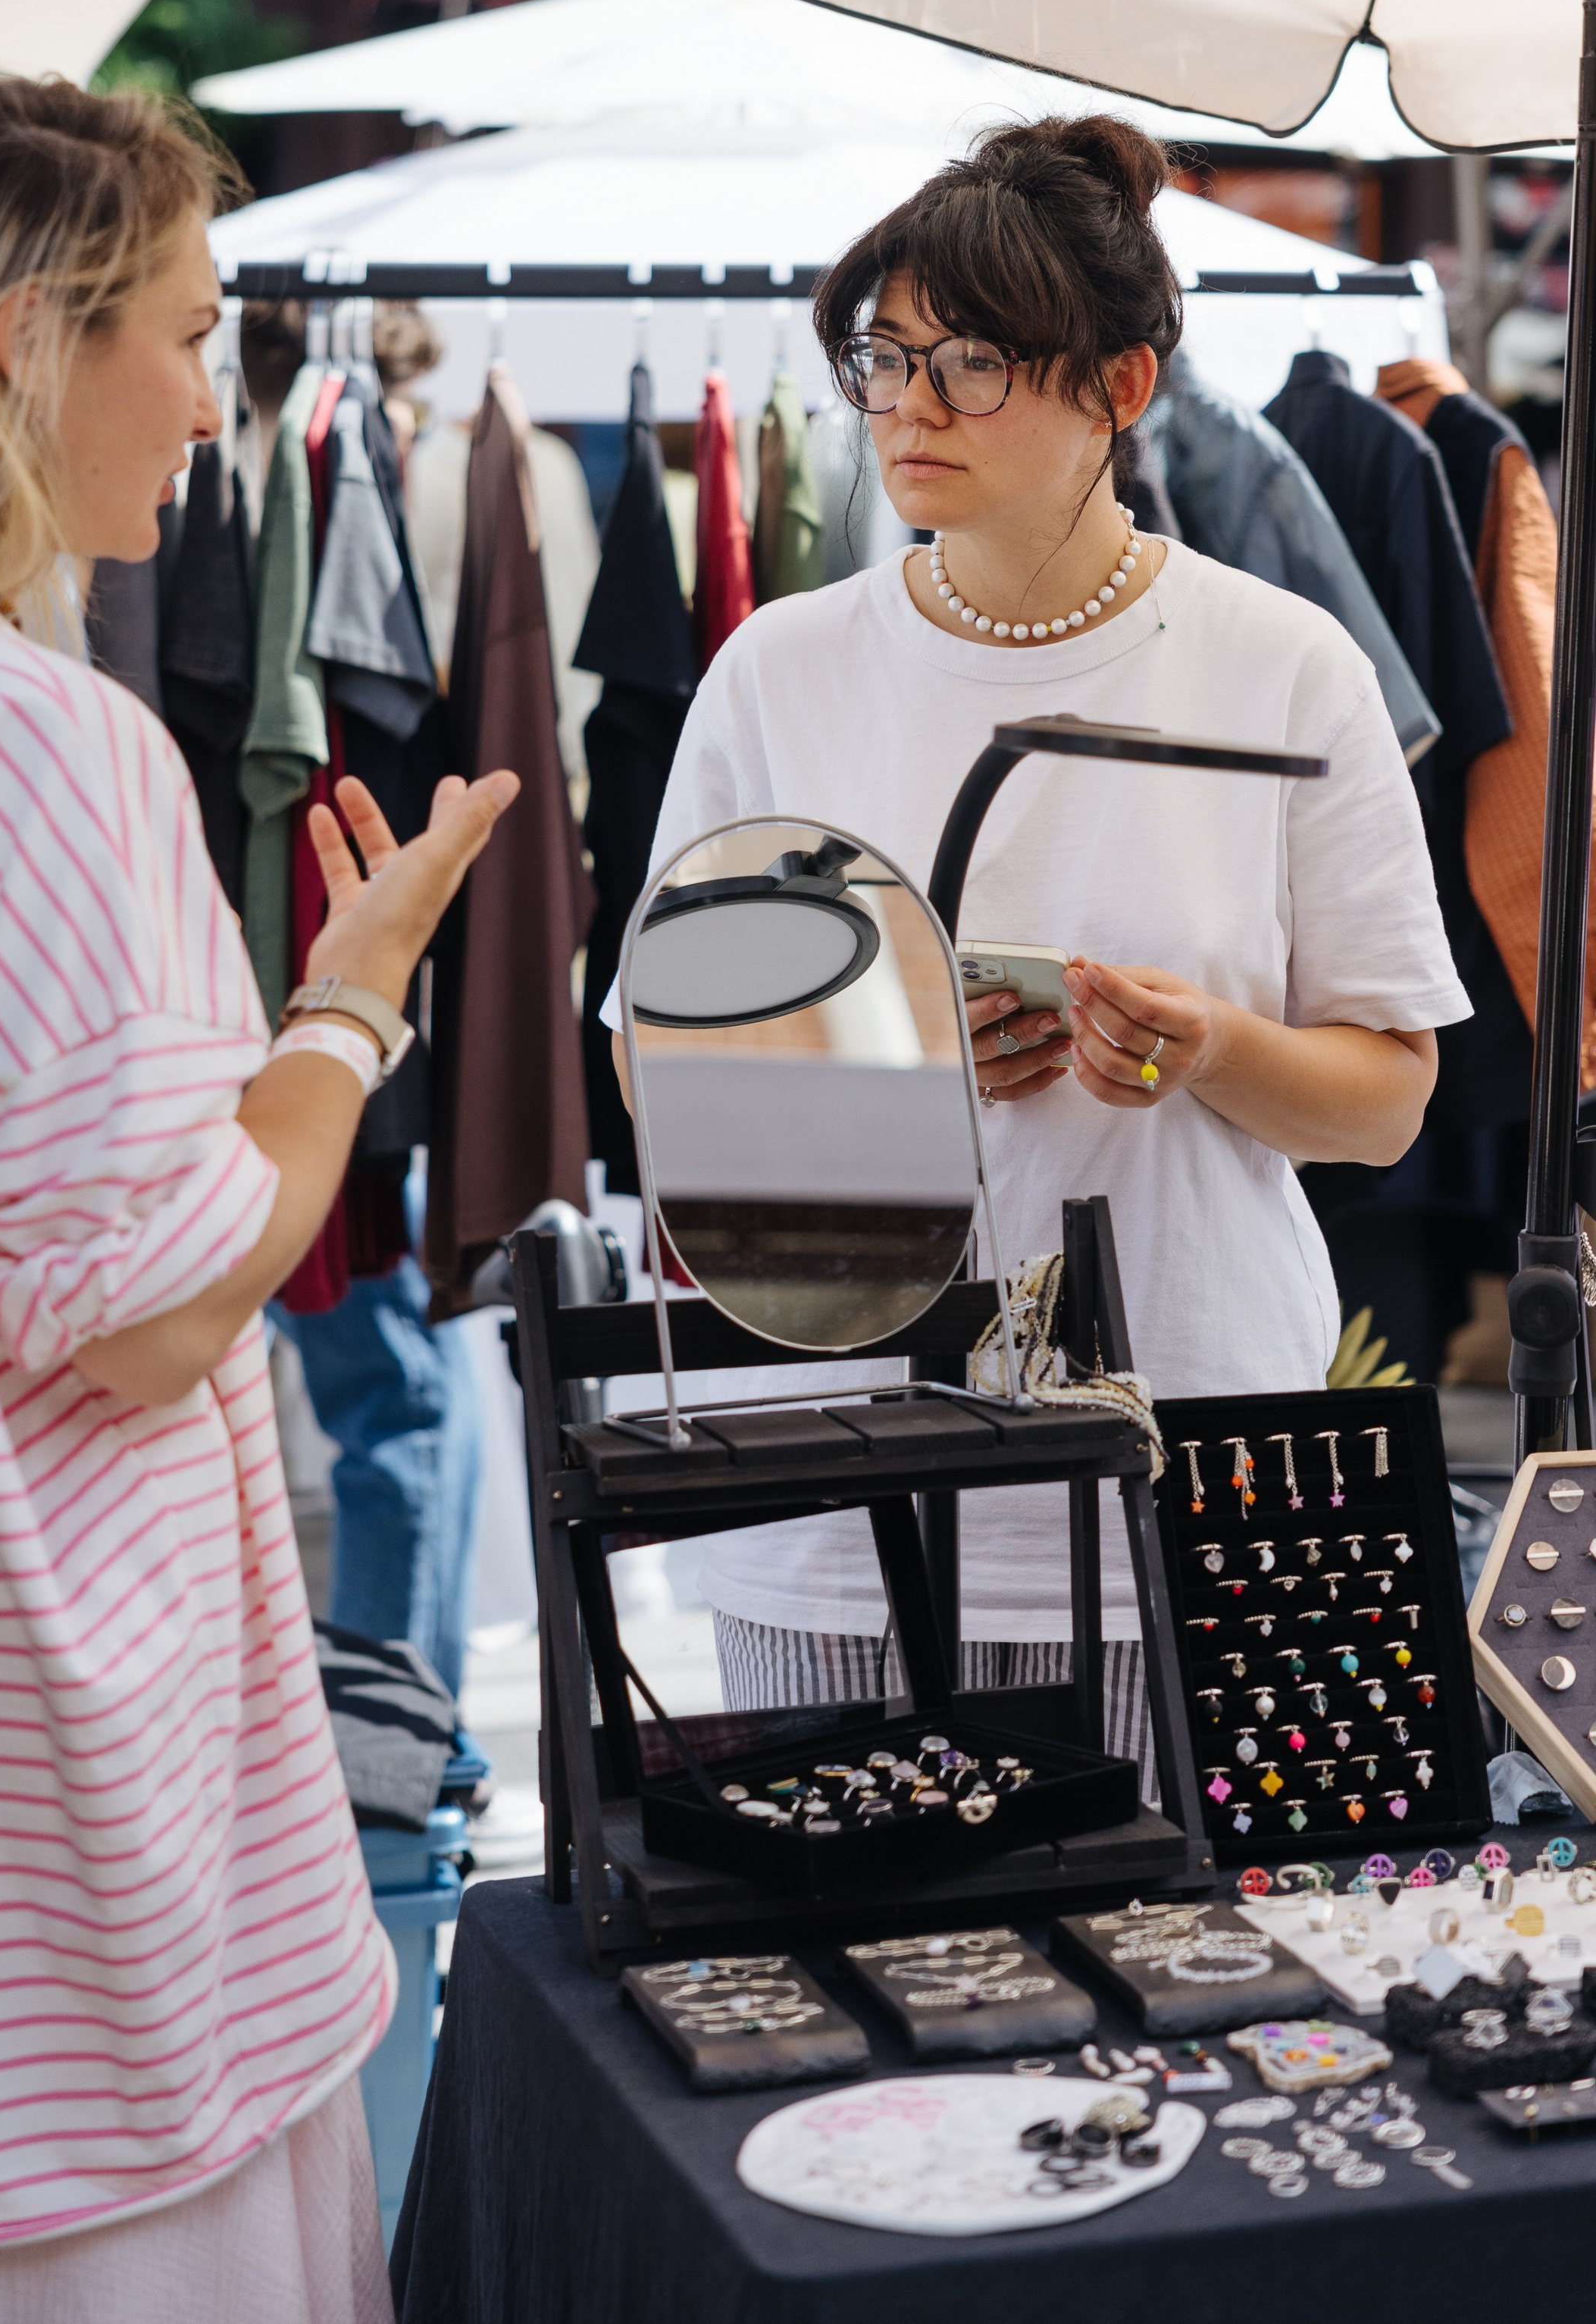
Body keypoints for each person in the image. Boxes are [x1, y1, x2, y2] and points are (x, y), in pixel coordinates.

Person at [0, 78, 516, 2323]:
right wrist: (350, 1011)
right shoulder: (41, 738)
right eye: (185, 331)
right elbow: (159, 1303)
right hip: (76, 1824)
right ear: (23, 344)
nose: (213, 397)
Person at [621, 117, 1466, 1764]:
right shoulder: (777, 673)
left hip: (1199, 1455)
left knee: (1215, 2003)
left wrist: (1210, 1046)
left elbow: (1385, 1095)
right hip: (832, 1476)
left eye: (973, 362)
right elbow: (658, 1080)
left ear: (1120, 385)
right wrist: (898, 1072)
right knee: (832, 1995)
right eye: (882, 356)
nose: (908, 405)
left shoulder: (1281, 669)